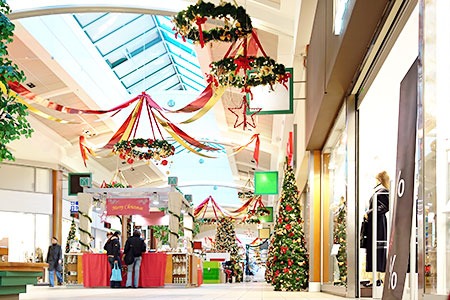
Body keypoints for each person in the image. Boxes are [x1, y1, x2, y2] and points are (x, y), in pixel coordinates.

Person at [363, 171, 390, 287]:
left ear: (379, 179)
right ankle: (375, 278)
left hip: (378, 225)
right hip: (375, 224)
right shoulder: (379, 191)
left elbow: (384, 207)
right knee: (374, 250)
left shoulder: (382, 192)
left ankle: (377, 278)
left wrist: (369, 213)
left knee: (377, 250)